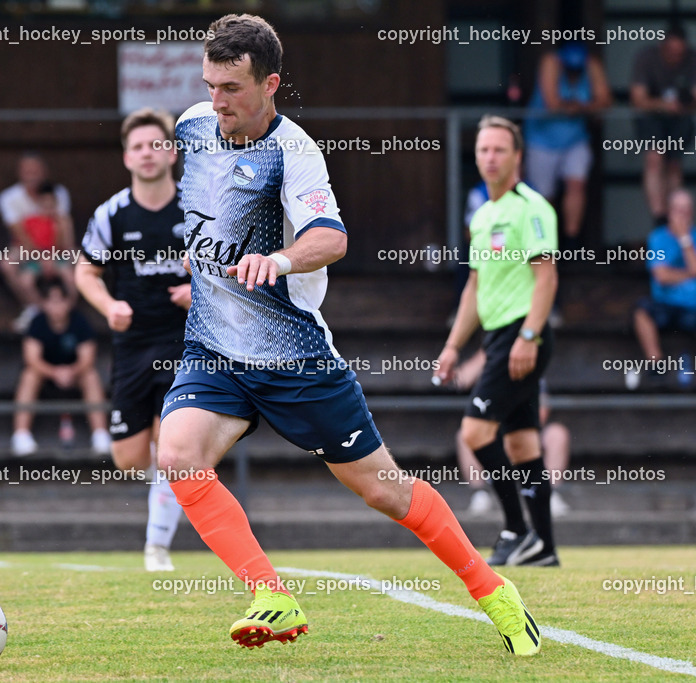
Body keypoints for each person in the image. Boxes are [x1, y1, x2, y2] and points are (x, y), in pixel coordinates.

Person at [157, 15, 541, 657]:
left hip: (293, 354)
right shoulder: (193, 127)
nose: (216, 101)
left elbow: (331, 237)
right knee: (178, 456)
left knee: (383, 490)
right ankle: (270, 595)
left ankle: (493, 590)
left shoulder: (296, 152)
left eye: (230, 88)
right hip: (214, 347)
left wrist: (275, 260)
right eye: (209, 85)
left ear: (270, 83)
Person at [435, 115, 560, 569]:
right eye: (483, 150)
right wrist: (452, 346)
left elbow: (546, 277)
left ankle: (515, 528)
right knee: (523, 444)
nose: (490, 157)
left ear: (517, 156)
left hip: (521, 335)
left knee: (475, 432)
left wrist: (529, 334)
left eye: (499, 150)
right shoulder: (482, 216)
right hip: (498, 335)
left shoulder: (533, 208)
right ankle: (543, 547)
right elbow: (474, 287)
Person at [76, 108, 191, 572]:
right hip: (132, 348)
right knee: (128, 458)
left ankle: (156, 546)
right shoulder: (113, 214)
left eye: (155, 144)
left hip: (187, 346)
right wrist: (109, 307)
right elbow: (85, 271)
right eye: (139, 146)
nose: (147, 153)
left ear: (172, 152)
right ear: (127, 156)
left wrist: (198, 288)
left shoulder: (197, 206)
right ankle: (167, 491)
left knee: (174, 450)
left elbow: (233, 265)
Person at [454, 350, 571, 518]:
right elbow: (460, 381)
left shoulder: (528, 362)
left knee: (557, 434)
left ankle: (549, 494)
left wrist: (518, 430)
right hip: (492, 433)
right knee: (466, 435)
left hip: (527, 430)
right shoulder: (489, 369)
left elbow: (543, 409)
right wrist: (489, 351)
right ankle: (481, 494)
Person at [523, 42, 611, 247]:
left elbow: (605, 100)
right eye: (570, 71)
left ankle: (572, 241)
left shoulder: (591, 65)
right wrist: (585, 107)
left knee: (576, 184)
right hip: (541, 139)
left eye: (577, 72)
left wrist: (578, 107)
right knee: (544, 197)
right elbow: (552, 103)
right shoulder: (551, 62)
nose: (573, 75)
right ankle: (545, 243)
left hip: (575, 139)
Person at [11, 277, 111, 456]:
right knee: (29, 375)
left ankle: (100, 434)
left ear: (68, 302)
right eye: (51, 301)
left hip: (76, 375)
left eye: (60, 301)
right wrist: (55, 373)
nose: (56, 307)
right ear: (44, 303)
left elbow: (87, 358)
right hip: (46, 378)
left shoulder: (80, 322)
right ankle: (21, 435)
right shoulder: (37, 323)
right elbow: (31, 358)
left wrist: (71, 371)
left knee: (90, 375)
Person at [0, 154, 76, 331]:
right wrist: (43, 258)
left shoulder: (58, 192)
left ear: (44, 172)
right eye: (27, 171)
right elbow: (21, 235)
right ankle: (35, 309)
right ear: (19, 173)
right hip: (24, 247)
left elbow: (63, 227)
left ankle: (70, 310)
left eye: (36, 170)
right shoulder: (8, 197)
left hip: (57, 246)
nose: (32, 174)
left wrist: (60, 254)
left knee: (83, 262)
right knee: (7, 264)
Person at [630, 188, 696, 389]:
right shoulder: (657, 238)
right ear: (669, 212)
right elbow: (661, 276)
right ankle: (656, 363)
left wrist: (685, 240)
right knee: (641, 311)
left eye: (686, 210)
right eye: (678, 210)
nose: (682, 215)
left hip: (692, 306)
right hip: (664, 303)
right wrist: (689, 274)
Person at [630, 24, 696, 226]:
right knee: (654, 158)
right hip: (652, 117)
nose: (676, 57)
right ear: (662, 46)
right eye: (671, 53)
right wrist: (664, 105)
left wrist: (686, 102)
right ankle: (659, 216)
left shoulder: (692, 60)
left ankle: (674, 216)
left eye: (680, 54)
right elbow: (638, 99)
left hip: (681, 118)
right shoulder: (646, 58)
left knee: (674, 164)